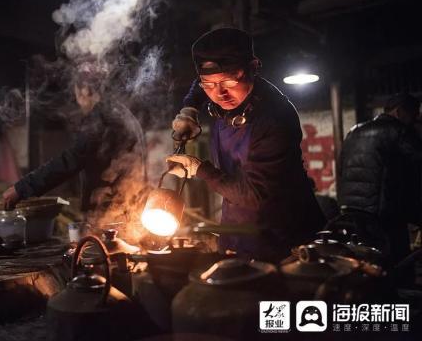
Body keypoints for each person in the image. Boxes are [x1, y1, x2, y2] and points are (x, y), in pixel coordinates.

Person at [167, 28, 324, 262]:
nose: (220, 93)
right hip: (238, 229)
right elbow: (202, 83)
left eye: (230, 80)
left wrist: (199, 169)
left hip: (283, 241)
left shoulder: (274, 118)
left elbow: (255, 194)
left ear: (253, 67)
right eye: (209, 85)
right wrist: (189, 108)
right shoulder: (216, 89)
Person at [2, 61, 147, 218]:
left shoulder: (100, 117)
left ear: (85, 91)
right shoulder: (121, 113)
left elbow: (71, 159)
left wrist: (21, 188)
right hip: (131, 205)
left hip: (110, 212)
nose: (77, 99)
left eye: (76, 91)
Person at [336, 93, 422, 267]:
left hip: (351, 210)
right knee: (398, 263)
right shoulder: (399, 131)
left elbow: (340, 168)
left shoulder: (354, 131)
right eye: (413, 115)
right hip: (384, 212)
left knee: (366, 261)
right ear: (399, 112)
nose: (415, 120)